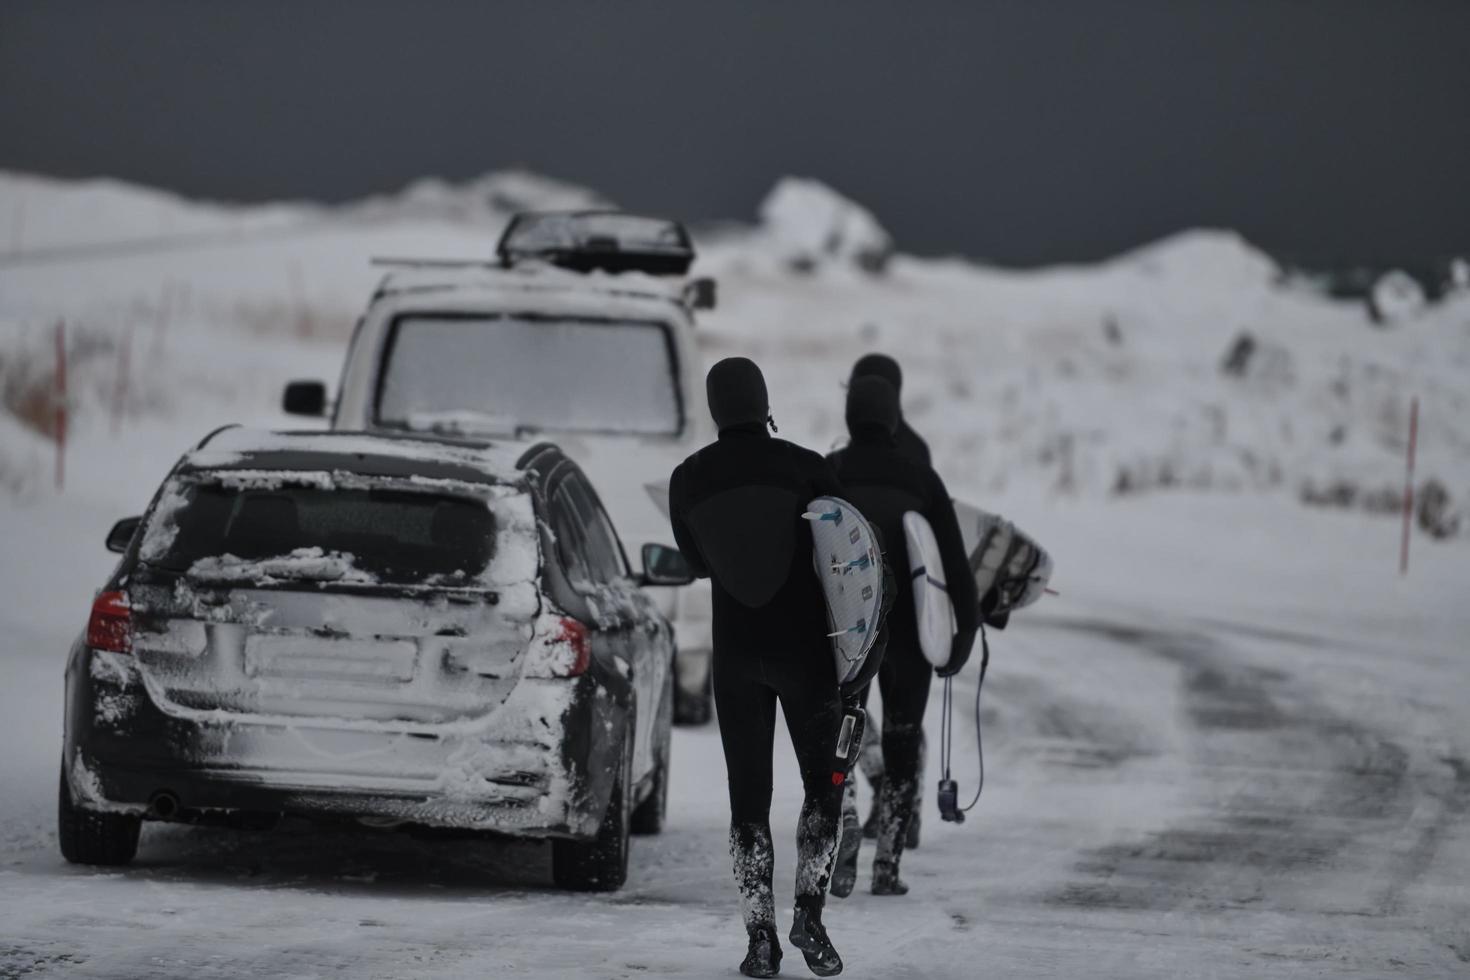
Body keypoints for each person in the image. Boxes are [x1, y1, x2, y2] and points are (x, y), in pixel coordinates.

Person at [668, 357, 848, 978]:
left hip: (737, 659)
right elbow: (848, 561)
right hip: (807, 656)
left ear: (717, 409)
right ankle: (810, 915)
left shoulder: (688, 479)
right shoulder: (809, 468)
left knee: (749, 802)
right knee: (823, 788)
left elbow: (694, 562)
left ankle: (760, 941)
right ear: (762, 401)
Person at [826, 375, 978, 895]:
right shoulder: (923, 481)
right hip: (912, 638)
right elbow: (954, 571)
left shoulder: (831, 472)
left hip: (851, 633)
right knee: (902, 740)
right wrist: (961, 641)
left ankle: (840, 824)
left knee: (840, 736)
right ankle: (887, 864)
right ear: (895, 417)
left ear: (850, 416)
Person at [844, 353, 934, 858]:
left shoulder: (840, 462)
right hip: (910, 617)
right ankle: (900, 816)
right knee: (905, 724)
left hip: (857, 613)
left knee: (853, 713)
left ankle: (887, 797)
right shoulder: (919, 453)